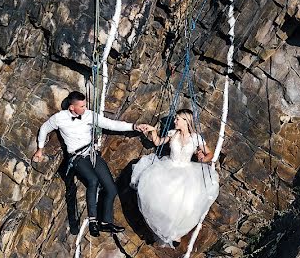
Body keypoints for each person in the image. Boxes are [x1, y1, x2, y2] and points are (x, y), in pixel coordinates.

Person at [33, 91, 152, 237]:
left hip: (91, 154)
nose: (85, 108)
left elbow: (111, 124)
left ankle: (106, 223)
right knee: (93, 181)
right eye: (82, 106)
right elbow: (44, 129)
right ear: (72, 107)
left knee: (111, 188)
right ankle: (93, 221)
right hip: (76, 157)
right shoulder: (59, 118)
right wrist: (40, 150)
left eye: (85, 105)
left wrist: (135, 127)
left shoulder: (89, 115)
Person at [130, 109, 220, 246]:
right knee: (161, 200)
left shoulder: (196, 138)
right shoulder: (173, 134)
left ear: (185, 121)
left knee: (184, 204)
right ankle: (164, 230)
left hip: (187, 171)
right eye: (175, 119)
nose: (174, 121)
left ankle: (176, 233)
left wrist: (202, 160)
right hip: (169, 167)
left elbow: (210, 154)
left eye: (177, 119)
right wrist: (153, 130)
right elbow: (158, 142)